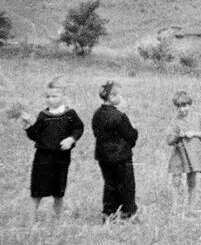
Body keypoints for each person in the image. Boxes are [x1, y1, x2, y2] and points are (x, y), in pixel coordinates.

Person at [19, 77, 85, 223]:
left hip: (61, 158)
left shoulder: (70, 114)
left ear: (64, 97)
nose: (50, 99)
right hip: (43, 157)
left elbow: (78, 128)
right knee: (37, 189)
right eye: (48, 96)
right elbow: (36, 135)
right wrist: (28, 125)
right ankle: (32, 220)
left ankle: (58, 219)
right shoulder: (43, 115)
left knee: (58, 190)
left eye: (54, 96)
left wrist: (71, 139)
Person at [91, 81, 140, 222]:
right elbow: (131, 136)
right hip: (122, 157)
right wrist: (134, 129)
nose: (121, 97)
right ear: (112, 97)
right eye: (119, 95)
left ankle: (109, 214)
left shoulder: (97, 114)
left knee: (110, 185)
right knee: (126, 186)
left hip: (103, 157)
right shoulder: (120, 116)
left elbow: (97, 133)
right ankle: (128, 214)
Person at [166, 91, 201, 211]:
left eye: (184, 106)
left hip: (193, 154)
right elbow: (169, 141)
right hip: (179, 154)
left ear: (190, 105)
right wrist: (177, 136)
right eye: (178, 107)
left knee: (192, 181)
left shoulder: (198, 117)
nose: (181, 109)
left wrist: (193, 133)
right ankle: (174, 208)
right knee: (176, 180)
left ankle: (191, 208)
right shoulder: (175, 121)